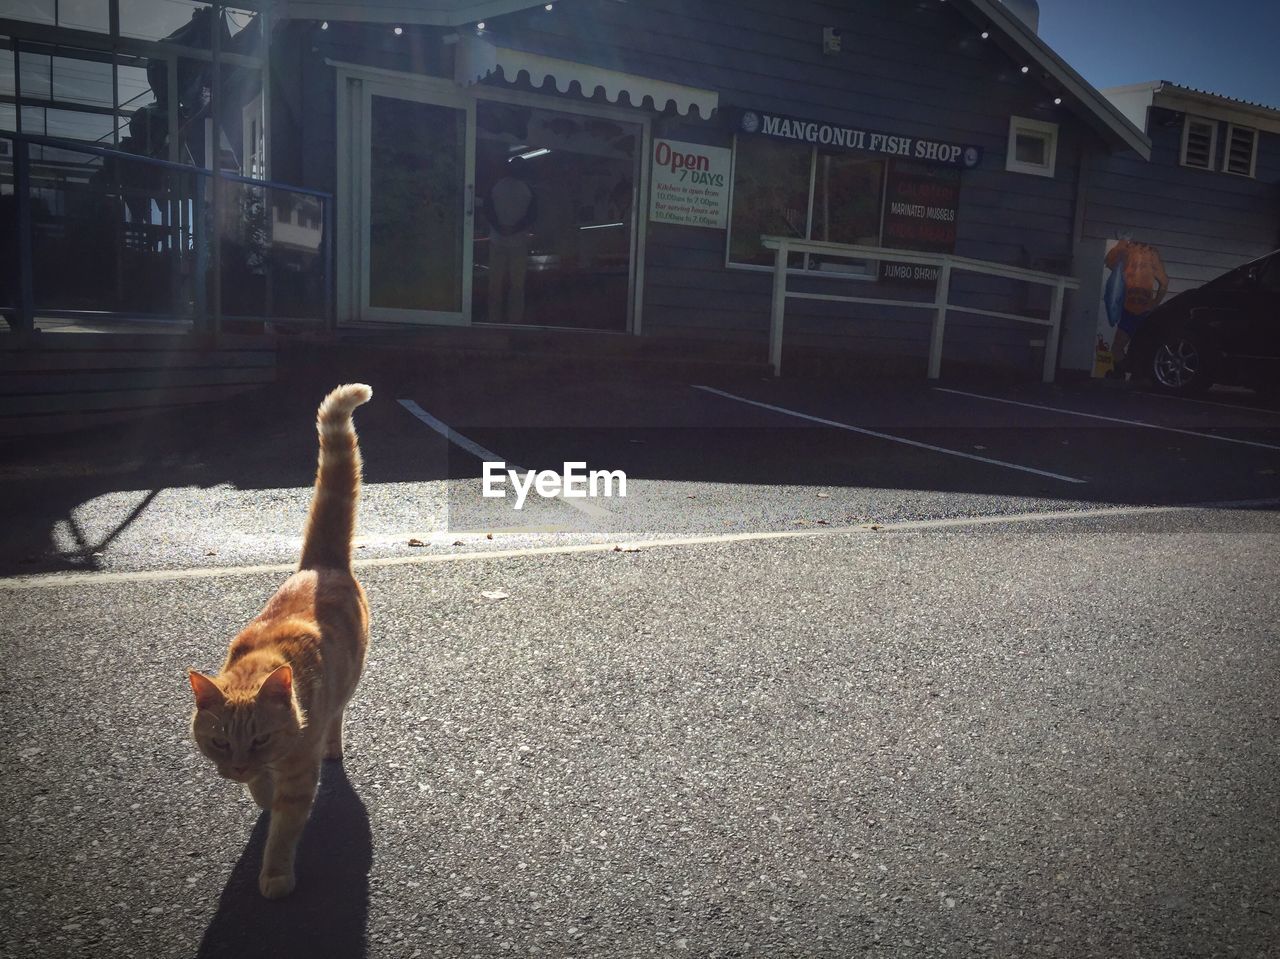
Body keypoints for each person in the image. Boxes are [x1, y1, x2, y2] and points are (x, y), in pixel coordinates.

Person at [484, 156, 538, 324]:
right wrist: (515, 228)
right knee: (517, 286)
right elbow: (532, 216)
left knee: (495, 285)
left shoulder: (496, 187)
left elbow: (488, 210)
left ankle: (493, 321)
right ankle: (515, 322)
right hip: (518, 242)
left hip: (497, 240)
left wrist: (500, 228)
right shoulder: (528, 189)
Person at [1104, 236, 1169, 374]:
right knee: (1119, 348)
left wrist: (1154, 303)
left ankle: (1134, 374)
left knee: (1140, 348)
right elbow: (1109, 263)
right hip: (1130, 310)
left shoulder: (1150, 254)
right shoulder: (1129, 252)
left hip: (1142, 313)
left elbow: (1164, 282)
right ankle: (1124, 373)